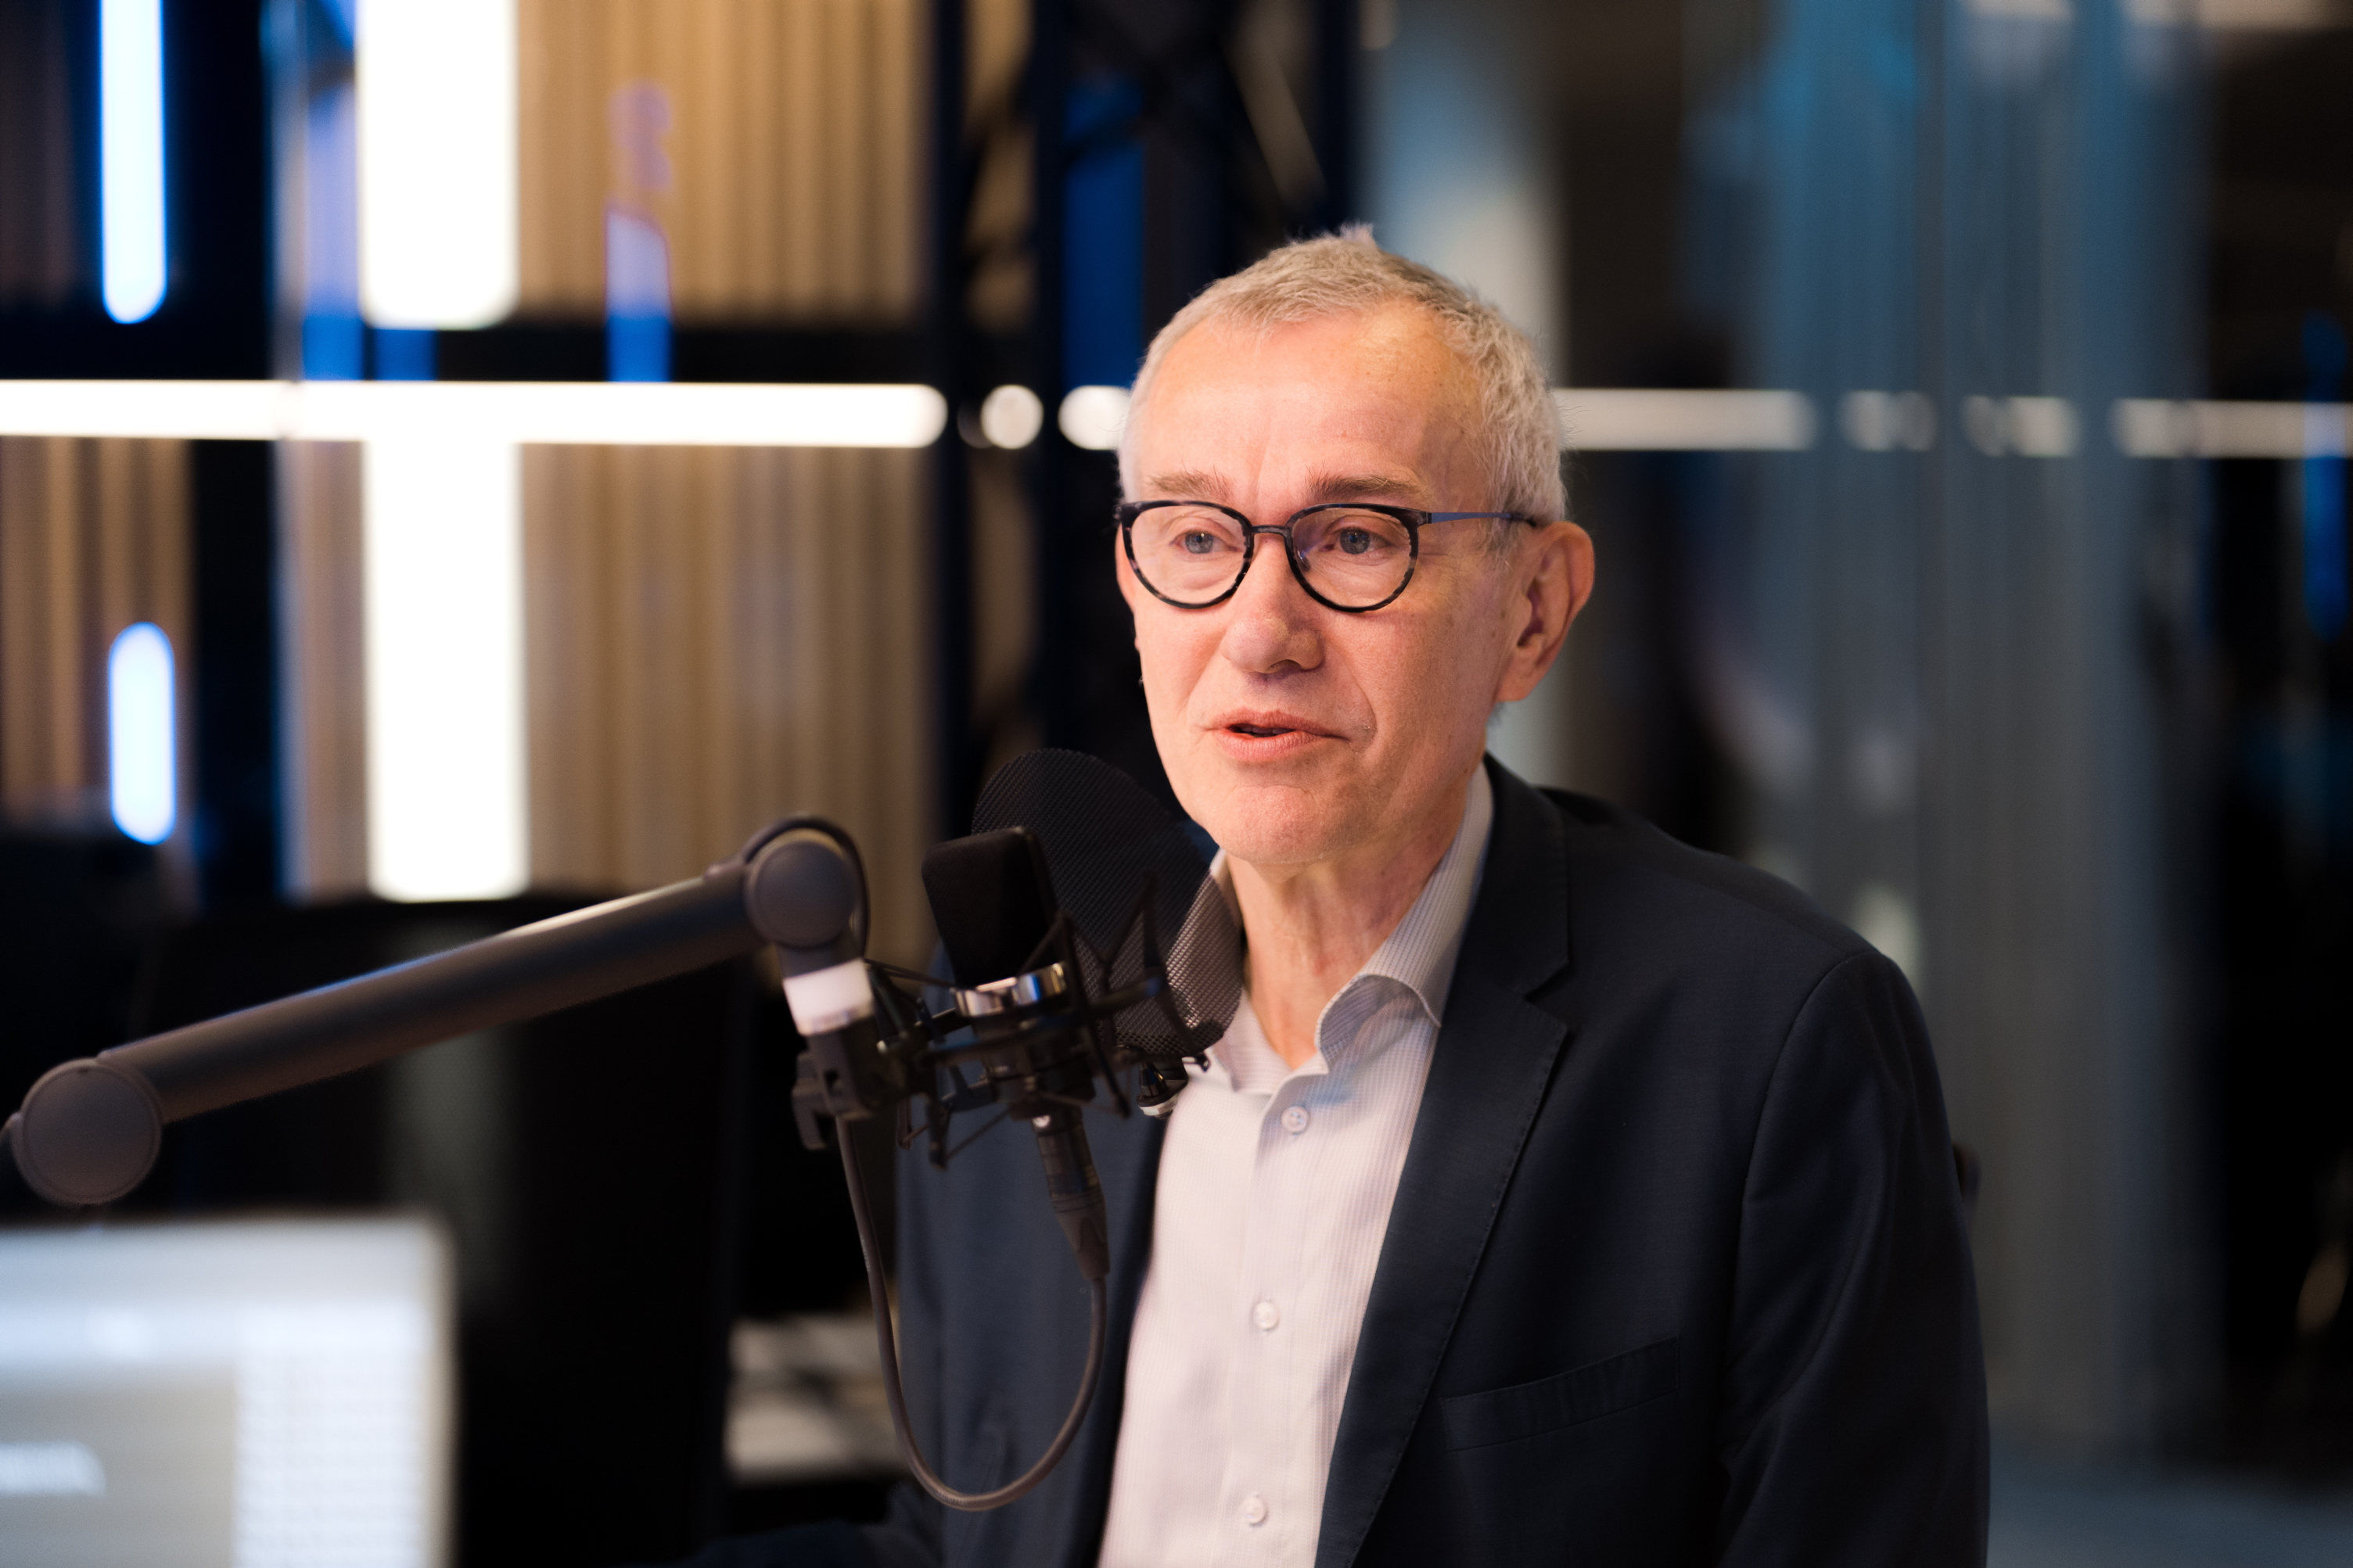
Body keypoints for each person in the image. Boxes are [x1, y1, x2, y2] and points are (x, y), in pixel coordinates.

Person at [697, 231, 1986, 1566]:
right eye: (1198, 535)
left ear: (1535, 609)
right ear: (1135, 591)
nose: (1261, 631)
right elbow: (961, 1541)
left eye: (1359, 537)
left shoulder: (1774, 1042)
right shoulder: (1020, 1032)